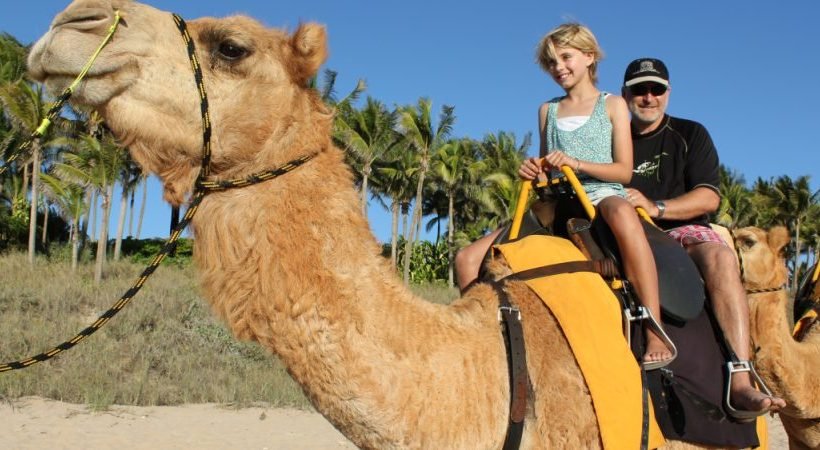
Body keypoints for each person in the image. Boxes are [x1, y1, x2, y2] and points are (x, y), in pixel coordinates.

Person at [456, 23, 675, 369]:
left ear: (589, 57)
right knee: (467, 259)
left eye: (566, 57)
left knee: (622, 216)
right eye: (552, 62)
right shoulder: (548, 110)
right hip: (555, 202)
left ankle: (653, 326)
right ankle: (477, 341)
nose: (559, 68)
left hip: (601, 193)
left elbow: (623, 171)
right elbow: (547, 166)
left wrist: (576, 162)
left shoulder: (613, 105)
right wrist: (535, 169)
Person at [620, 57, 786, 417]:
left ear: (668, 93)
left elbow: (709, 196)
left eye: (656, 89)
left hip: (677, 228)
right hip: (621, 229)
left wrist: (656, 207)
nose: (648, 97)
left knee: (720, 257)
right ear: (625, 95)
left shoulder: (690, 133)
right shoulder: (613, 140)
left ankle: (741, 379)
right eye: (639, 90)